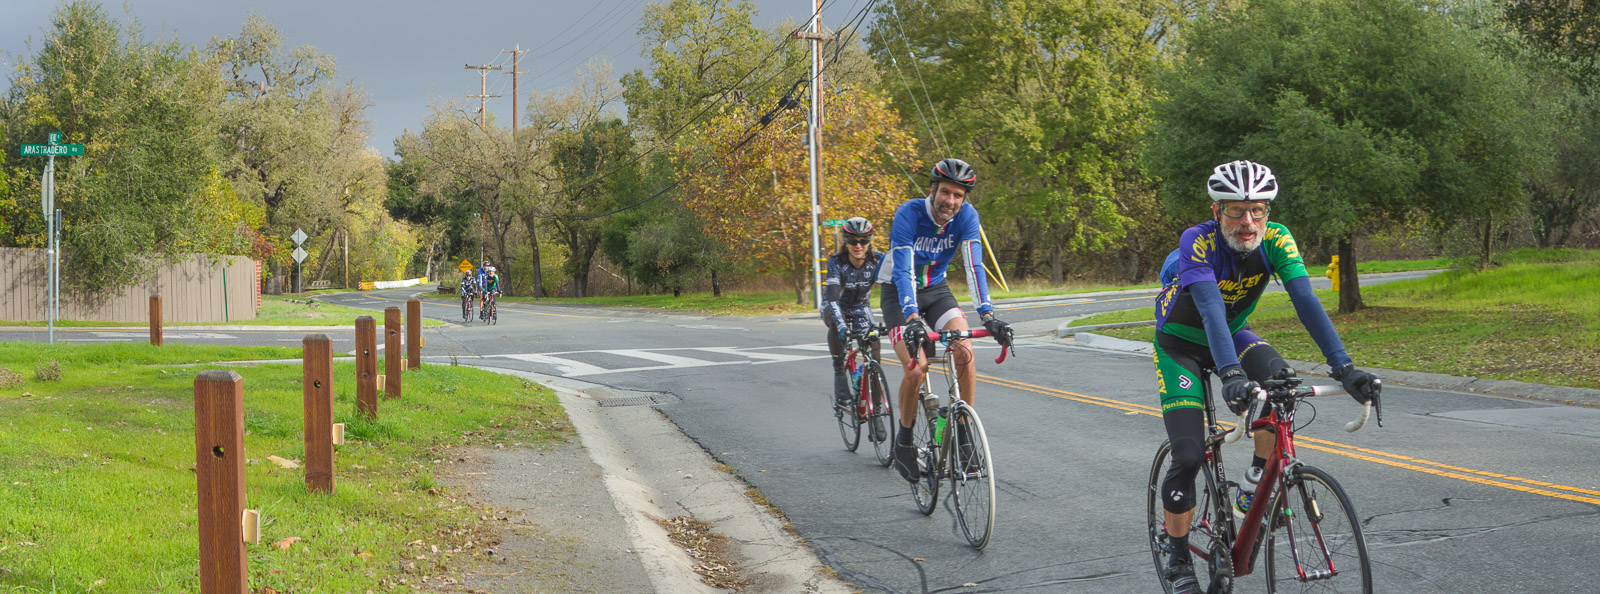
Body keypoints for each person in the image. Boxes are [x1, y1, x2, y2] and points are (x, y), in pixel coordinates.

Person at [1152, 160, 1382, 594]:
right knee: (1186, 454)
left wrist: (1344, 367)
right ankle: (1177, 552)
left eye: (1258, 210)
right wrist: (1231, 374)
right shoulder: (1196, 242)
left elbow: (1306, 301)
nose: (1248, 222)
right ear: (1216, 210)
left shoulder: (1277, 239)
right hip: (1181, 344)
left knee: (1283, 382)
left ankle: (1256, 478)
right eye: (1236, 211)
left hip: (1234, 334)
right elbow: (1210, 310)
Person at [879, 158, 1012, 483]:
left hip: (936, 289)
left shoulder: (967, 217)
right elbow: (904, 269)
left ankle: (964, 433)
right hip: (898, 291)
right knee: (918, 367)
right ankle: (905, 440)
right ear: (933, 189)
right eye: (946, 192)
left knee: (964, 350)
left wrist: (988, 315)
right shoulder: (909, 214)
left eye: (958, 195)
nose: (950, 201)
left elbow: (974, 267)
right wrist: (911, 318)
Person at [821, 217, 883, 417]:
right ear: (845, 242)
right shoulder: (836, 262)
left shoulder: (876, 260)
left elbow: (896, 286)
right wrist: (841, 327)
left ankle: (878, 407)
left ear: (869, 241)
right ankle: (839, 368)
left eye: (863, 241)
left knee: (874, 346)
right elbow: (832, 297)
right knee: (835, 324)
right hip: (835, 305)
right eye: (853, 241)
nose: (858, 245)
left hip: (860, 307)